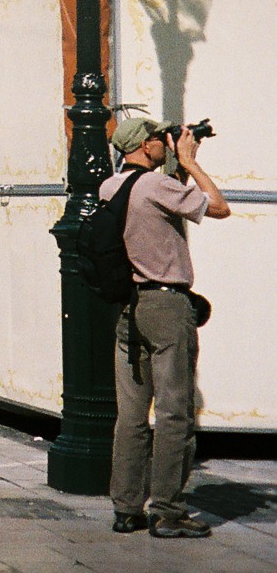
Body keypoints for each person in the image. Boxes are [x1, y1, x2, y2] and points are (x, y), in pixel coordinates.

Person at [102, 117, 230, 539]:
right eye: (158, 139)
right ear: (143, 146)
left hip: (129, 308)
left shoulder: (112, 186)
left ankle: (126, 508)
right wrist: (191, 164)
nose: (164, 143)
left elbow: (152, 204)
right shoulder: (158, 187)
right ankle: (169, 512)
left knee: (132, 416)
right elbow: (219, 206)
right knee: (175, 412)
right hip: (166, 306)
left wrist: (174, 162)